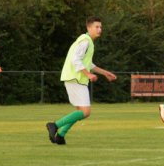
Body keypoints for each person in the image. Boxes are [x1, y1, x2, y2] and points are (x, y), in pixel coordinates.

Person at [46, 16, 117, 145]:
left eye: (100, 27)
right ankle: (55, 125)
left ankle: (61, 135)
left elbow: (88, 64)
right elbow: (76, 60)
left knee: (80, 111)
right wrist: (88, 74)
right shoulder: (85, 41)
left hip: (74, 78)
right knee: (86, 112)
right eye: (96, 27)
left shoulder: (87, 41)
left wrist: (105, 73)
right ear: (88, 28)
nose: (100, 29)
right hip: (76, 78)